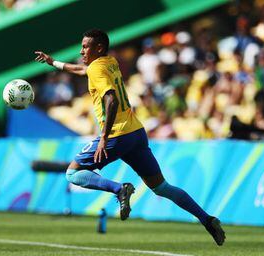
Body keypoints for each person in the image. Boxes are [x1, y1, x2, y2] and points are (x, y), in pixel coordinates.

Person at [34, 29, 225, 246]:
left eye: (85, 46)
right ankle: (206, 219)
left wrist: (105, 136)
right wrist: (54, 63)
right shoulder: (109, 62)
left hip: (117, 134)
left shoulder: (97, 68)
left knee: (73, 173)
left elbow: (111, 99)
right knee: (162, 187)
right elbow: (82, 70)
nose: (81, 50)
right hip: (136, 132)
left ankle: (119, 189)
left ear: (98, 48)